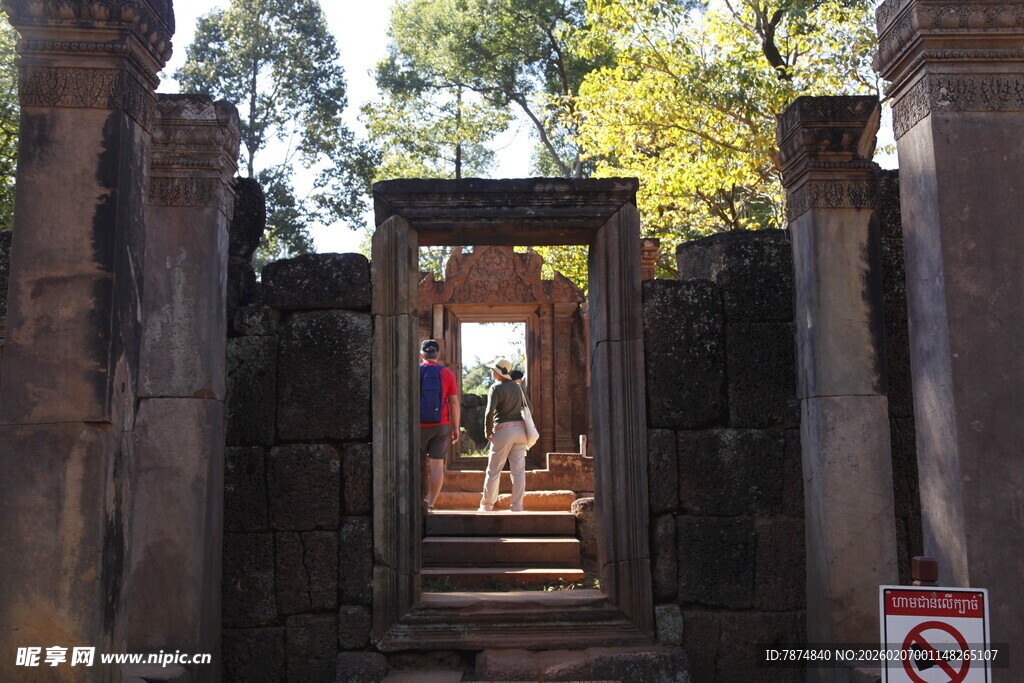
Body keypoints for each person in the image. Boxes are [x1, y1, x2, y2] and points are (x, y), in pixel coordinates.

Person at [478, 358, 533, 512]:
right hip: (520, 431)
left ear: (499, 371)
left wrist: (487, 431)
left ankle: (487, 505)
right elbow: (530, 407)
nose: (491, 371)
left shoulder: (496, 388)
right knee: (518, 471)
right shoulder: (518, 387)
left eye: (493, 369)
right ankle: (517, 506)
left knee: (494, 470)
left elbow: (489, 412)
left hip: (503, 430)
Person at [419, 339, 460, 513]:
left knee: (415, 463)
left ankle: (415, 500)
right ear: (438, 354)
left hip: (417, 425)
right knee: (436, 466)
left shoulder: (415, 371)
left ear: (421, 354)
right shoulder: (447, 373)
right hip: (441, 424)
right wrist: (455, 426)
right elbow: (453, 402)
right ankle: (429, 502)